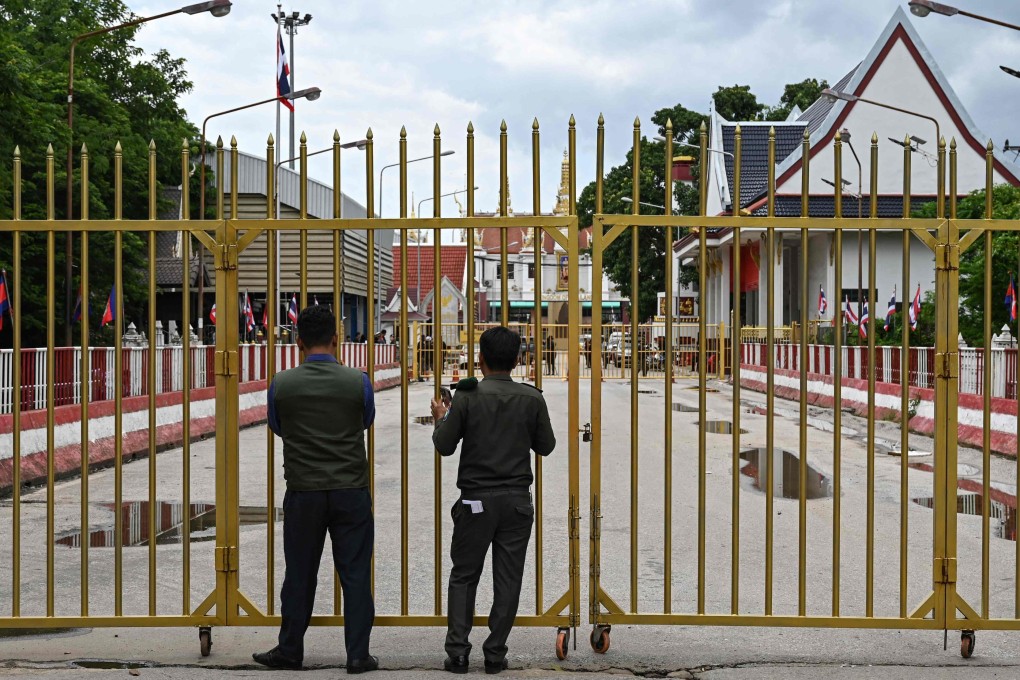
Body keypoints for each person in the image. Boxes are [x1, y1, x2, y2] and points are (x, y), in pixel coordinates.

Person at [253, 305, 378, 674]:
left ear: (299, 343)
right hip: (351, 490)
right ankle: (358, 655)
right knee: (354, 574)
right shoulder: (359, 381)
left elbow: (278, 426)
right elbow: (365, 420)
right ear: (336, 340)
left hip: (304, 490)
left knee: (300, 573)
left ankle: (290, 650)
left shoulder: (281, 383)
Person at [430, 326, 556, 675]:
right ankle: (495, 654)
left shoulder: (468, 396)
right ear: (517, 360)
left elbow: (444, 446)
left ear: (481, 359)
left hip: (475, 502)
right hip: (516, 502)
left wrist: (442, 418)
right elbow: (546, 446)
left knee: (464, 576)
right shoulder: (532, 398)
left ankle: (457, 653)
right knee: (508, 579)